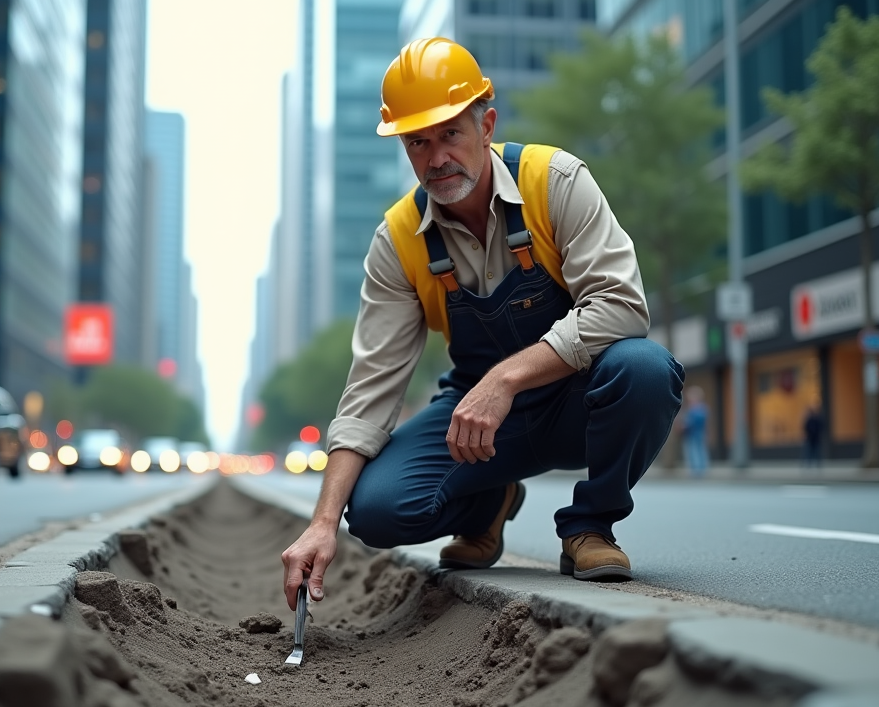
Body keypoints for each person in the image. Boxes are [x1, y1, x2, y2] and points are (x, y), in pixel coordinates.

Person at [281, 38, 683, 610]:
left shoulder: (556, 182)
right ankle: (487, 504)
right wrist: (322, 523)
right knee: (374, 510)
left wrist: (504, 380)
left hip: (579, 401)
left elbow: (621, 305)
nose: (437, 156)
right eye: (418, 141)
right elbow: (369, 392)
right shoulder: (397, 242)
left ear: (486, 124)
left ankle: (590, 526)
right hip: (480, 432)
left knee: (644, 368)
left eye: (450, 133)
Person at [681, 387, 709, 477]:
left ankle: (697, 470)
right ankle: (700, 468)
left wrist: (685, 425)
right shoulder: (702, 408)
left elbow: (691, 422)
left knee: (694, 451)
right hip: (698, 433)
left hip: (694, 433)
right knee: (699, 450)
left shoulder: (696, 409)